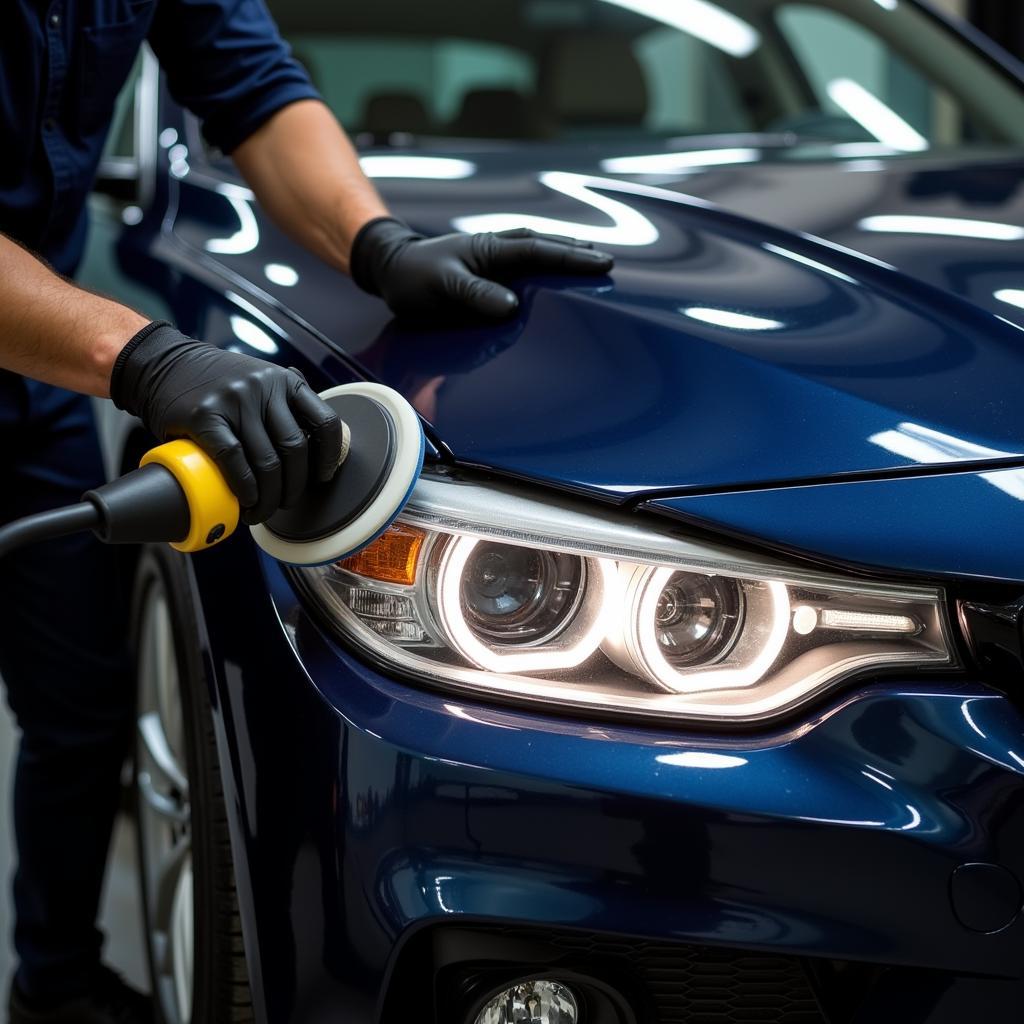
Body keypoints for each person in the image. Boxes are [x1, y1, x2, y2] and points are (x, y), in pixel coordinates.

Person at [0, 2, 614, 1021]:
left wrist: (376, 245)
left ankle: (52, 985)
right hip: (60, 351)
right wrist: (147, 354)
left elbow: (254, 91)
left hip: (34, 394)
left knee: (79, 705)